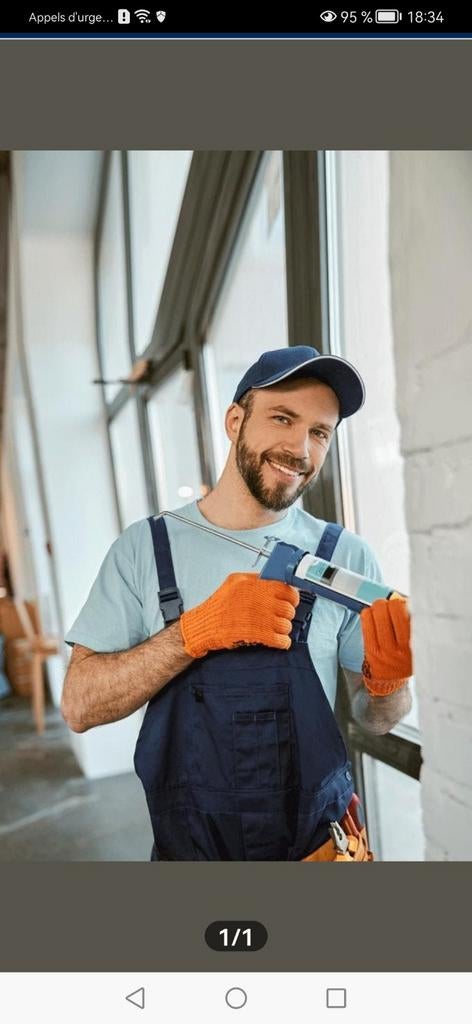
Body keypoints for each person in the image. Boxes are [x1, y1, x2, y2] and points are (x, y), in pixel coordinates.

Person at [62, 345, 413, 861]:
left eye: (320, 432)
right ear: (234, 420)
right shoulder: (144, 548)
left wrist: (390, 687)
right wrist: (194, 632)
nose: (300, 448)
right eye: (282, 418)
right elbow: (79, 705)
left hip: (323, 852)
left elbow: (375, 718)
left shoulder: (345, 557)